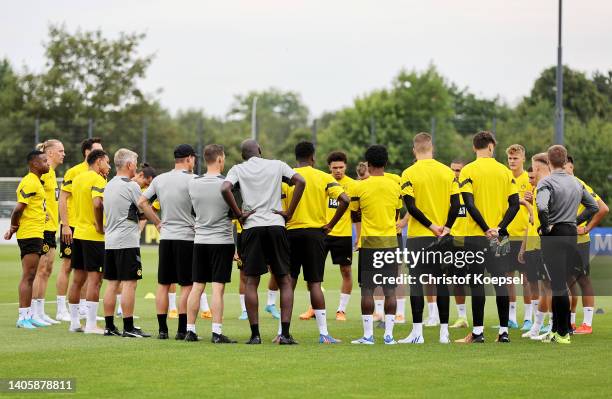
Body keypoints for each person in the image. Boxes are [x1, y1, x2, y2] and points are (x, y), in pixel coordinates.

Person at [221, 139, 305, 345]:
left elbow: (225, 188)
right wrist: (289, 212)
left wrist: (239, 214)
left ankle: (255, 335)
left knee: (251, 281)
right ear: (259, 150)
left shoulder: (238, 169)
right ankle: (284, 334)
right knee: (284, 279)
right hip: (276, 225)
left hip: (252, 227)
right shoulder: (277, 164)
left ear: (243, 155)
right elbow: (301, 181)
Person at [455, 131, 519, 344]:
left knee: (476, 284)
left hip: (475, 236)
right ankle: (503, 332)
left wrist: (484, 228)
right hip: (500, 237)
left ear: (475, 148)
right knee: (501, 282)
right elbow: (515, 205)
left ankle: (478, 332)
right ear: (491, 147)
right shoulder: (504, 171)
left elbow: (469, 203)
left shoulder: (467, 171)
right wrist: (499, 228)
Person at [283, 141, 349, 344]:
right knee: (314, 284)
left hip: (291, 233)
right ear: (313, 157)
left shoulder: (286, 178)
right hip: (315, 234)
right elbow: (345, 200)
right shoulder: (324, 177)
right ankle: (323, 334)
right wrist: (330, 224)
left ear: (296, 158)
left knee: (289, 283)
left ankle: (282, 332)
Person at [398, 133, 459, 344]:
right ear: (432, 148)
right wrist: (446, 228)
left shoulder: (408, 173)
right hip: (444, 237)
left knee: (416, 283)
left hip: (418, 237)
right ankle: (444, 333)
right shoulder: (447, 172)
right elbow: (457, 205)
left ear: (414, 150)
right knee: (442, 283)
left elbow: (411, 208)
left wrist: (431, 227)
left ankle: (418, 334)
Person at [536, 145, 598, 344]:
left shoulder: (546, 182)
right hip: (571, 234)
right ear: (564, 162)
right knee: (562, 283)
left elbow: (542, 207)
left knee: (558, 284)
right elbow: (593, 207)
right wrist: (575, 222)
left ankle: (563, 332)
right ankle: (556, 330)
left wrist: (546, 228)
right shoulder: (576, 182)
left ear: (548, 162)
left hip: (554, 235)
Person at [138, 144, 197, 340]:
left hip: (167, 238)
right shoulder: (193, 180)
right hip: (187, 237)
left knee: (163, 284)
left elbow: (142, 202)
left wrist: (157, 222)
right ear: (189, 158)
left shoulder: (161, 179)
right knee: (187, 286)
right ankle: (181, 330)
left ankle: (163, 330)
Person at [102, 149, 160, 338]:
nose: (136, 166)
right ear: (128, 165)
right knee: (129, 283)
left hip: (110, 241)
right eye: (135, 162)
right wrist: (158, 223)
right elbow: (144, 206)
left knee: (112, 284)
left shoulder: (109, 185)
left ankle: (109, 326)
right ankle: (128, 327)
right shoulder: (131, 186)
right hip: (126, 240)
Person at [184, 144, 238, 343]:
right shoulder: (226, 183)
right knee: (217, 288)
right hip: (221, 241)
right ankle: (216, 332)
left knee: (197, 286)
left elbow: (192, 211)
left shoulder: (193, 183)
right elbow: (234, 212)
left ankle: (190, 330)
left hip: (200, 241)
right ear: (220, 159)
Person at [350, 145, 402, 345]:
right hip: (390, 241)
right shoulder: (395, 184)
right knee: (390, 290)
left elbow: (355, 213)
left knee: (367, 290)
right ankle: (389, 335)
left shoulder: (359, 186)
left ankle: (368, 335)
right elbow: (397, 212)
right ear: (386, 163)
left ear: (368, 165)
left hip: (369, 243)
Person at [56, 137, 103, 322]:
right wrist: (66, 224)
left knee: (87, 269)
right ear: (87, 152)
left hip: (90, 227)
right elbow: (63, 199)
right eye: (97, 150)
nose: (101, 153)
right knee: (68, 266)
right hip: (73, 225)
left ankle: (84, 307)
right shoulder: (73, 172)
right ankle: (61, 308)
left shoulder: (99, 174)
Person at [4, 150, 49, 329]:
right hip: (29, 233)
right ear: (34, 164)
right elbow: (18, 209)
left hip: (36, 232)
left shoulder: (37, 182)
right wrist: (13, 228)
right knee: (28, 275)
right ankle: (22, 318)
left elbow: (32, 208)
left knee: (32, 275)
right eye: (44, 161)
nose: (47, 163)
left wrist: (41, 216)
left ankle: (29, 315)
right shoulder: (30, 181)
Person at [564, 156, 609, 334]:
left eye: (565, 167)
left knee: (583, 280)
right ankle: (572, 322)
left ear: (572, 167)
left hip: (578, 241)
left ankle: (587, 324)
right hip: (564, 240)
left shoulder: (579, 184)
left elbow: (603, 208)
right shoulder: (562, 183)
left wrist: (587, 228)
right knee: (568, 280)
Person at [67, 149, 110, 334]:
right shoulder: (98, 180)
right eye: (107, 163)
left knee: (77, 280)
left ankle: (74, 322)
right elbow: (97, 204)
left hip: (79, 234)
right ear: (99, 161)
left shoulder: (78, 179)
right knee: (95, 280)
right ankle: (92, 324)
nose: (109, 167)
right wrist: (100, 226)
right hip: (94, 236)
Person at [31, 139, 65, 325]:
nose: (63, 154)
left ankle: (41, 311)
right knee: (40, 269)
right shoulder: (43, 173)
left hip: (52, 228)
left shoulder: (51, 173)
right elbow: (33, 194)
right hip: (42, 228)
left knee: (47, 269)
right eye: (60, 150)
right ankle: (33, 312)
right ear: (50, 153)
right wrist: (40, 214)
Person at [505, 144, 534, 331]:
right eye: (510, 158)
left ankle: (529, 318)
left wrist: (530, 201)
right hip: (506, 236)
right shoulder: (504, 178)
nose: (512, 161)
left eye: (515, 158)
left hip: (525, 237)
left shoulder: (530, 180)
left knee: (526, 280)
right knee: (507, 279)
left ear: (523, 159)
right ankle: (511, 317)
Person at [448, 159, 470, 329]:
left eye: (458, 170)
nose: (455, 173)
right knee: (457, 281)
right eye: (453, 170)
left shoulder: (471, 190)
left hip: (473, 240)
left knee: (481, 280)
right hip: (454, 242)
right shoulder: (448, 192)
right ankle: (462, 317)